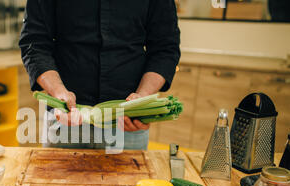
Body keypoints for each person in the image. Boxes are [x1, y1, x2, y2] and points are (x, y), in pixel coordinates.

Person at [19, 0, 181, 150]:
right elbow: (34, 44)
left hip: (127, 124)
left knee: (133, 182)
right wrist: (58, 91)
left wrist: (142, 98)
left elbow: (165, 49)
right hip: (64, 121)